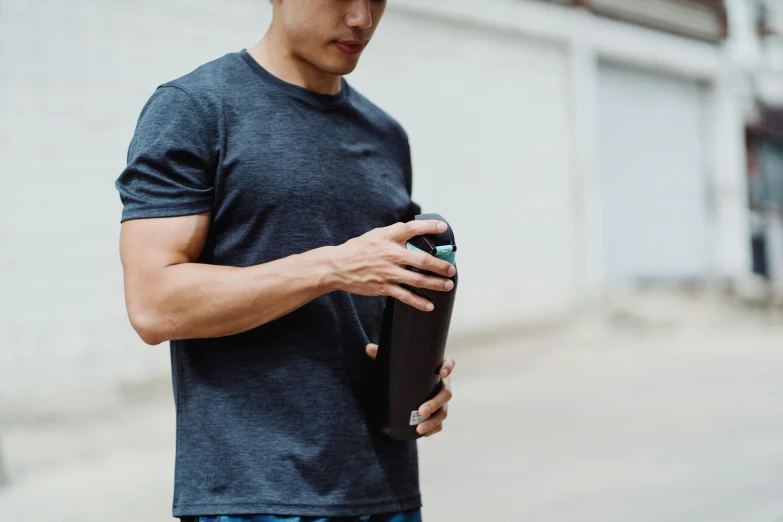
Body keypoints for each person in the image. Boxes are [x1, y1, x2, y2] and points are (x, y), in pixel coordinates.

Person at [115, 1, 457, 521]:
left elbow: (374, 298)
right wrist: (332, 268)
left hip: (384, 488)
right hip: (255, 496)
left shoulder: (386, 134)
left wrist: (417, 373)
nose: (362, 18)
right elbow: (153, 305)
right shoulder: (196, 108)